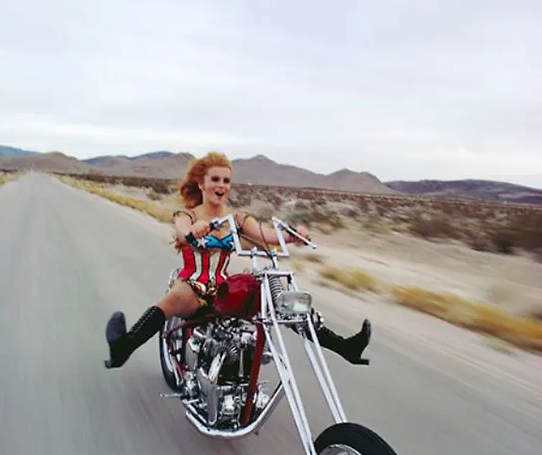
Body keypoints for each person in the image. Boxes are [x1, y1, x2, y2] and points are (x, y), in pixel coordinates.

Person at [104, 151, 371, 369]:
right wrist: (193, 231)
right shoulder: (187, 215)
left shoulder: (239, 219)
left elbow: (266, 235)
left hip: (222, 287)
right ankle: (124, 347)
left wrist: (290, 236)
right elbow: (182, 232)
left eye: (226, 181)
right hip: (193, 287)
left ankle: (345, 347)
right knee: (173, 299)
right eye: (215, 179)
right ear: (202, 183)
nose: (221, 186)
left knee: (280, 302)